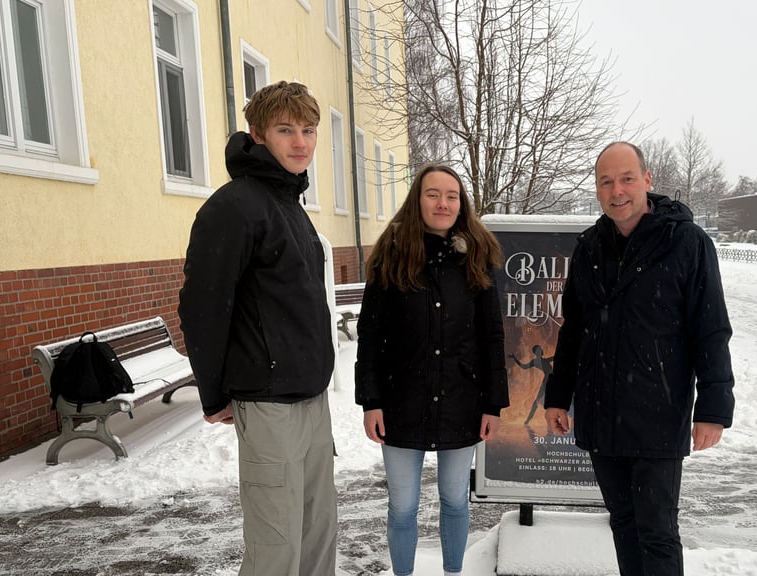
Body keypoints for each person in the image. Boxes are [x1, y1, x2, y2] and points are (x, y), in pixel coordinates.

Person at [544, 142, 735, 576]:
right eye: (606, 182)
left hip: (657, 412)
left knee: (657, 532)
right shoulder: (590, 247)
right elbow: (574, 329)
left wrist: (713, 408)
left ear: (647, 180)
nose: (617, 191)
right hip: (600, 413)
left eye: (627, 178)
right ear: (597, 189)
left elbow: (711, 329)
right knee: (624, 525)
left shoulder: (686, 242)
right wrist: (558, 396)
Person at [178, 81, 337, 576]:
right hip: (269, 401)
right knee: (276, 547)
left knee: (317, 537)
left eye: (308, 130)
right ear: (258, 134)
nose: (300, 142)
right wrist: (215, 392)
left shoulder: (289, 204)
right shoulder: (235, 206)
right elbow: (203, 306)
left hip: (311, 397)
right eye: (286, 130)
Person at [355, 164, 509, 576]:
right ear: (417, 200)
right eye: (433, 194)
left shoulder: (477, 258)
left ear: (462, 204)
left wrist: (494, 404)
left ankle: (453, 572)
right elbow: (369, 335)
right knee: (402, 506)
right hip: (400, 401)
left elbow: (492, 337)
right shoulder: (390, 257)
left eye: (452, 195)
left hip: (462, 401)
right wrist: (370, 401)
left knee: (456, 500)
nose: (443, 203)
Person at [508, 344, 553, 426]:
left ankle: (528, 420)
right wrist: (514, 358)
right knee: (539, 401)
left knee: (541, 400)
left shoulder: (541, 361)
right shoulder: (538, 361)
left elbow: (523, 366)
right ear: (536, 353)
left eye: (540, 349)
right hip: (549, 381)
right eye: (539, 350)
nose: (541, 351)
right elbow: (523, 366)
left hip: (551, 380)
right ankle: (528, 420)